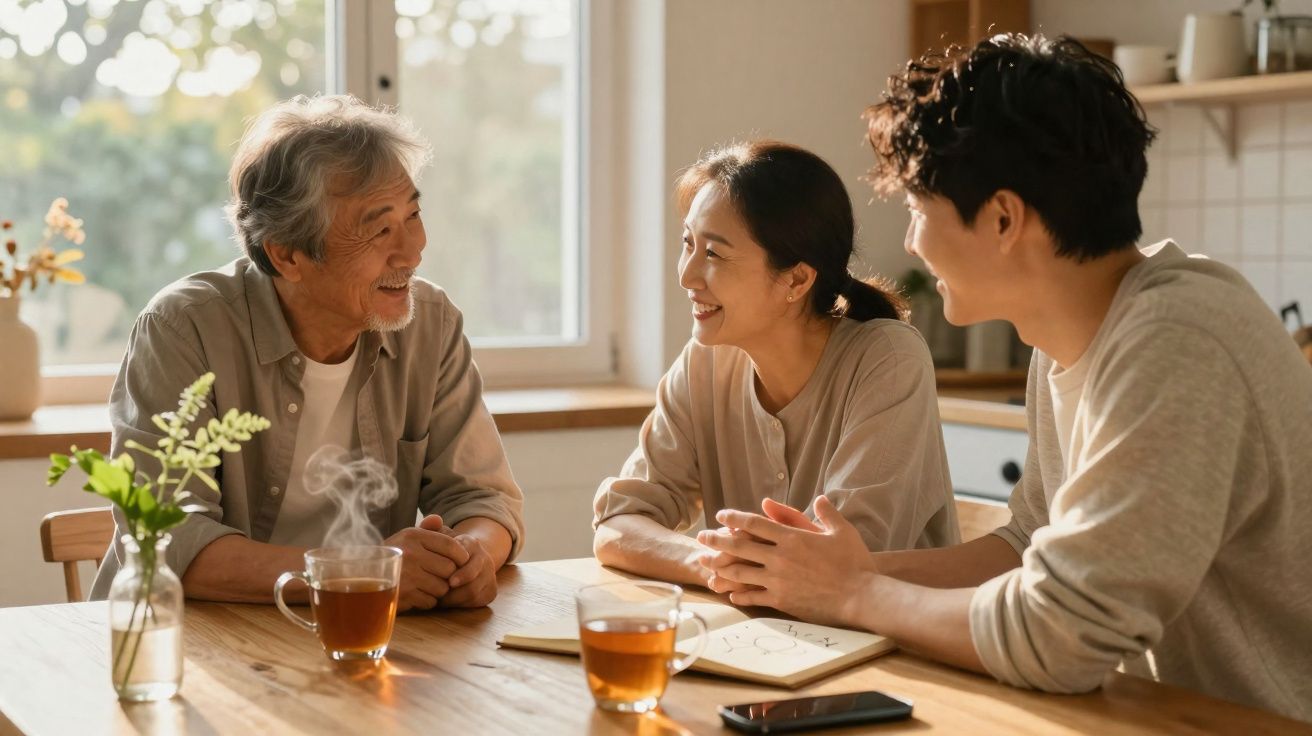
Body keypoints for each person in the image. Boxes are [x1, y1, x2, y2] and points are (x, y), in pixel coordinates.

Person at [697, 35, 1312, 722]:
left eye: (916, 209)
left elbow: (1062, 634)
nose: (909, 243)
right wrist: (825, 573)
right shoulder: (1069, 337)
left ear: (1002, 218)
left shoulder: (1177, 343)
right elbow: (1027, 547)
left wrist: (852, 595)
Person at [90, 95, 525, 612]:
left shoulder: (430, 323)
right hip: (188, 641)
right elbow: (166, 539)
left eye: (413, 213)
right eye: (379, 228)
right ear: (287, 254)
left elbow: (484, 501)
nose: (412, 250)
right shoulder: (183, 329)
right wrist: (356, 573)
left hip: (362, 638)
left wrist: (470, 556)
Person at [593, 140, 958, 587]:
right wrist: (707, 563)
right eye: (688, 243)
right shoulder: (703, 365)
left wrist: (726, 562)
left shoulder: (889, 361)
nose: (687, 275)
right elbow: (617, 525)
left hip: (891, 645)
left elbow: (841, 559)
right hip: (764, 640)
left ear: (797, 279)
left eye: (714, 254)